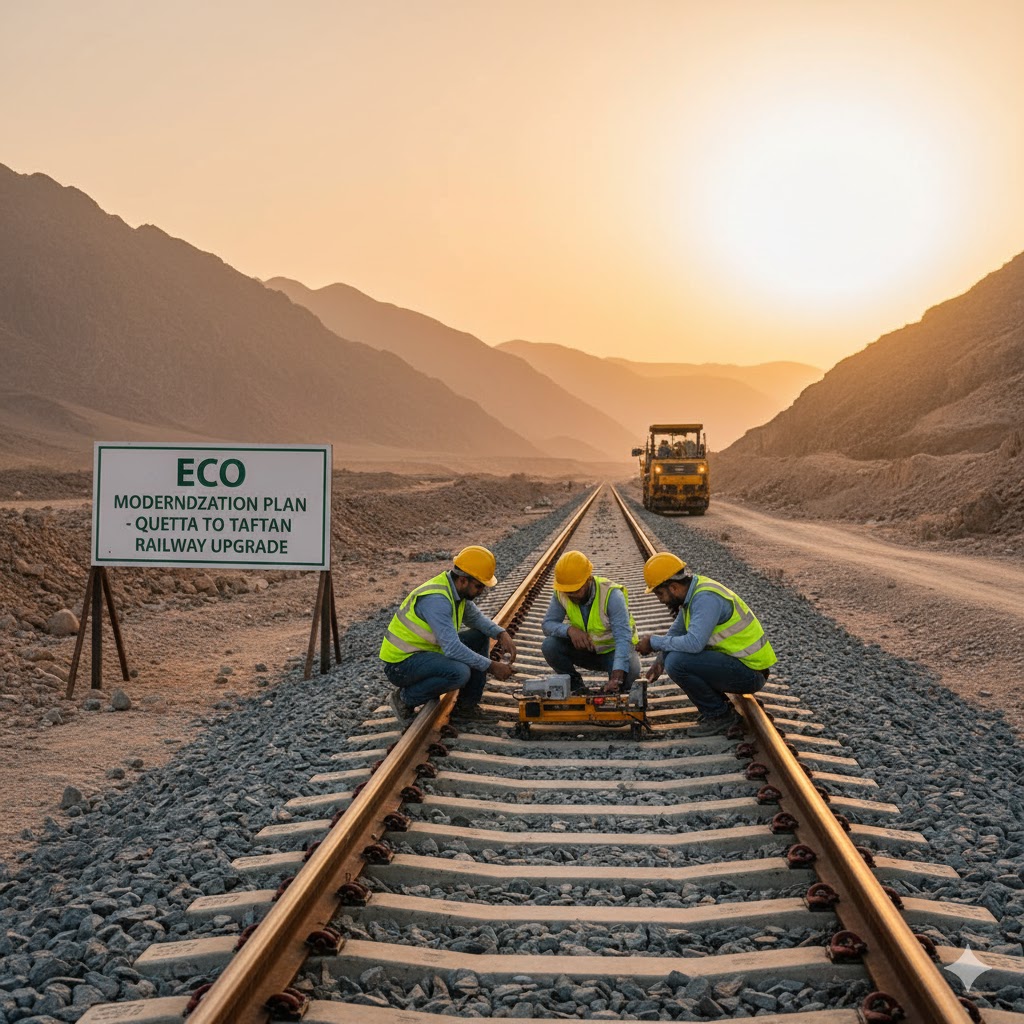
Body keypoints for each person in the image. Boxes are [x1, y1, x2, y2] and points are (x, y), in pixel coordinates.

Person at [637, 552, 776, 737]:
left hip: (751, 673)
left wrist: (653, 642)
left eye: (660, 593)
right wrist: (660, 658)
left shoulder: (705, 599)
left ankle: (719, 716)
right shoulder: (693, 593)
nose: (660, 600)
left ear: (673, 587)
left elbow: (694, 643)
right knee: (672, 656)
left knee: (678, 662)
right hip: (740, 665)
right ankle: (718, 708)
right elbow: (677, 631)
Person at [379, 545, 517, 726]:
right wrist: (491, 666)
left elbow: (475, 618)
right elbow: (452, 648)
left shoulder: (456, 592)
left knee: (479, 636)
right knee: (459, 673)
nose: (481, 591)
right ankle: (405, 699)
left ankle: (466, 708)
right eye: (478, 586)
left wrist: (501, 634)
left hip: (426, 653)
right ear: (462, 580)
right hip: (402, 664)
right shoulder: (437, 600)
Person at [541, 550, 640, 693]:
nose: (571, 596)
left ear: (588, 580)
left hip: (612, 653)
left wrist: (617, 673)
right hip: (585, 653)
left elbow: (623, 637)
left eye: (576, 591)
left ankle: (616, 690)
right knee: (550, 645)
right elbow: (548, 624)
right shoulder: (562, 592)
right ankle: (576, 686)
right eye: (568, 592)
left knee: (631, 668)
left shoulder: (612, 595)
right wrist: (569, 630)